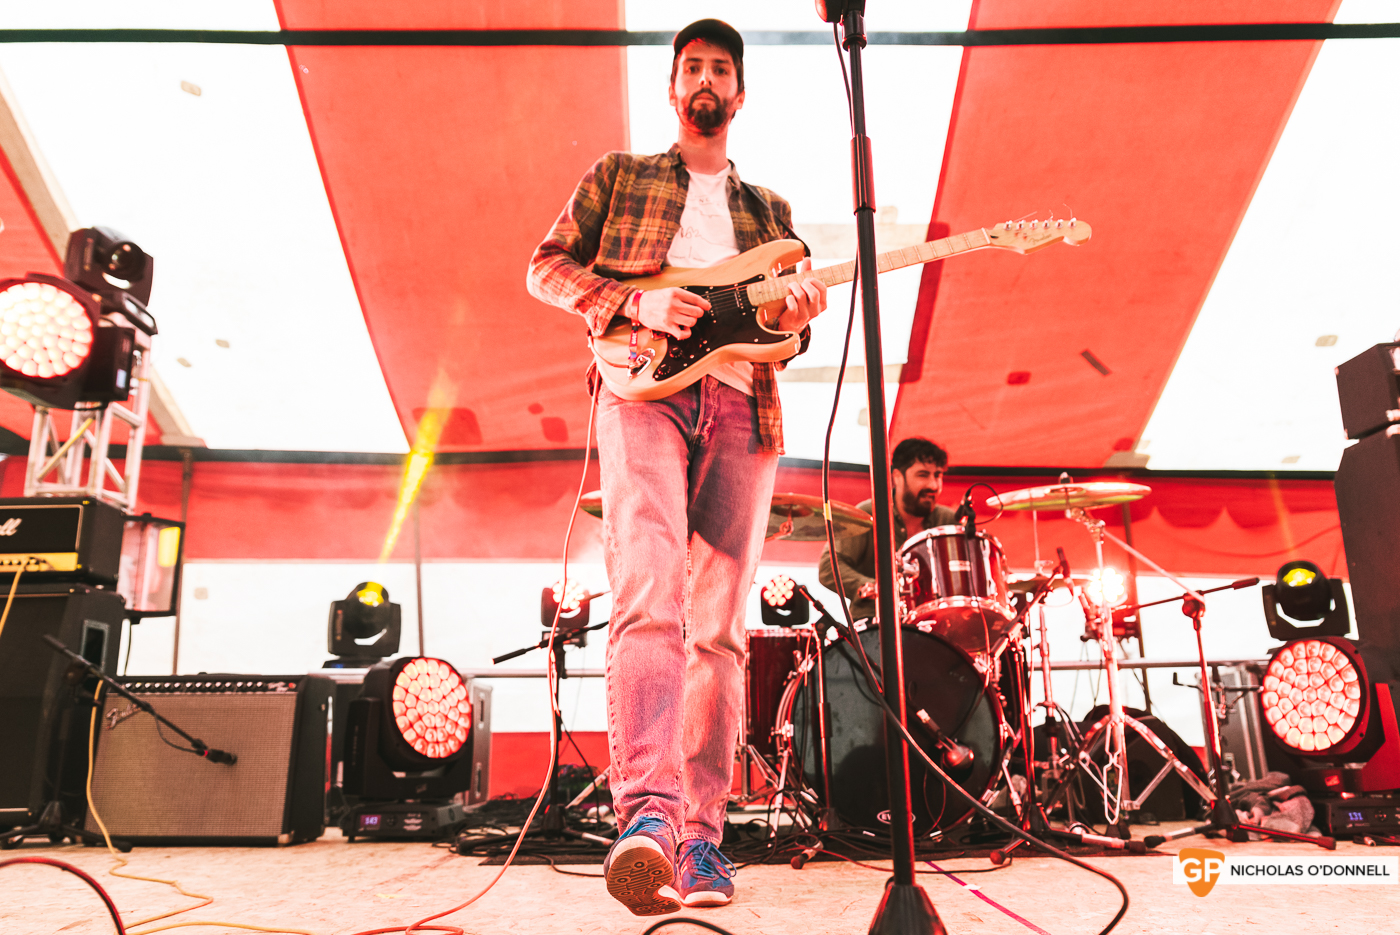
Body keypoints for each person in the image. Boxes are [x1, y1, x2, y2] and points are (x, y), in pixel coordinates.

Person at [526, 19, 828, 916]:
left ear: (738, 95)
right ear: (672, 89)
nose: (705, 78)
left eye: (721, 68)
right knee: (651, 595)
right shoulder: (620, 177)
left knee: (723, 629)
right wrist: (635, 297)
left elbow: (789, 328)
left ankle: (703, 839)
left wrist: (804, 310)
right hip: (643, 392)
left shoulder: (770, 212)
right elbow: (546, 268)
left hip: (746, 406)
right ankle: (647, 822)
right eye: (691, 66)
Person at [817, 437, 954, 620]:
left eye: (937, 475)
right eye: (923, 475)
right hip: (875, 626)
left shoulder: (948, 520)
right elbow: (828, 567)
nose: (933, 485)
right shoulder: (869, 514)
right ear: (897, 477)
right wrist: (872, 587)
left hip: (936, 625)